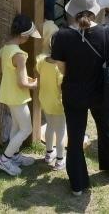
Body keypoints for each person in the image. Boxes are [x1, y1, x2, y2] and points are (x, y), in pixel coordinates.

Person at [49, 0, 109, 194]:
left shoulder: (61, 36)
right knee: (107, 128)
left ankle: (78, 185)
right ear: (94, 9)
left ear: (72, 9)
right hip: (102, 90)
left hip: (74, 92)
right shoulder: (106, 32)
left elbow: (62, 68)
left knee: (75, 136)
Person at [0, 13, 42, 175]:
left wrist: (25, 79)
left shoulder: (5, 48)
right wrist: (36, 83)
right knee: (26, 129)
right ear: (23, 35)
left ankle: (14, 155)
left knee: (16, 126)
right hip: (17, 96)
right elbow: (22, 83)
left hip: (8, 93)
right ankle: (4, 159)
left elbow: (5, 70)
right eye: (28, 36)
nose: (29, 39)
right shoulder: (20, 55)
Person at [37, 20, 66, 171]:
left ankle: (49, 153)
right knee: (61, 132)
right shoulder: (59, 68)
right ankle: (60, 160)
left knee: (49, 126)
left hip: (44, 100)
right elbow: (62, 87)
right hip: (57, 103)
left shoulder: (41, 60)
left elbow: (38, 72)